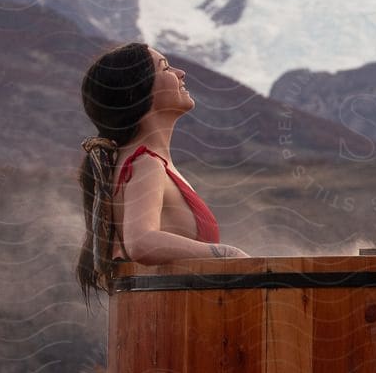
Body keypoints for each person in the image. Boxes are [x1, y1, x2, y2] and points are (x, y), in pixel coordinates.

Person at [75, 41, 248, 302]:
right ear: (139, 91)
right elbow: (141, 242)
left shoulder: (144, 162)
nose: (181, 72)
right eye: (165, 68)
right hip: (175, 326)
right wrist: (228, 254)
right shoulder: (146, 163)